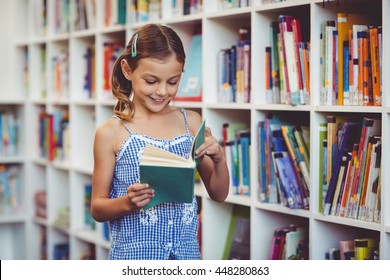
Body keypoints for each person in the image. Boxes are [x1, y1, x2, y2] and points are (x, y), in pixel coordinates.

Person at [91, 23, 229, 260]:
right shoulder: (111, 132)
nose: (163, 91)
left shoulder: (192, 123)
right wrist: (127, 202)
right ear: (127, 69)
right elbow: (97, 208)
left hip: (186, 257)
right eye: (151, 81)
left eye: (173, 82)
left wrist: (219, 160)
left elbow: (218, 193)